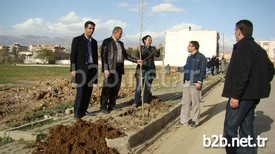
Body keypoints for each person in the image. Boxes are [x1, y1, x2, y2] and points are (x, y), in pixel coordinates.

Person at [222, 19, 274, 154]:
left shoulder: (242, 47)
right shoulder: (259, 49)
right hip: (252, 97)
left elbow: (241, 74)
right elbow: (270, 69)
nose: (234, 33)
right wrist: (257, 85)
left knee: (230, 129)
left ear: (239, 31)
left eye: (235, 30)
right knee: (246, 128)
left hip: (242, 96)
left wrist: (235, 96)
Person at [100, 26, 142, 114]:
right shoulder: (107, 41)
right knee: (107, 88)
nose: (121, 35)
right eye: (120, 34)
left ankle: (112, 105)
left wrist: (136, 60)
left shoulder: (121, 44)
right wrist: (105, 68)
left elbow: (126, 55)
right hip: (110, 68)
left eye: (121, 34)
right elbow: (103, 56)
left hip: (119, 68)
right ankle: (103, 106)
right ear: (115, 33)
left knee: (116, 88)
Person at [171, 40, 206, 128]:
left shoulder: (201, 57)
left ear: (194, 47)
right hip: (187, 82)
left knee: (195, 103)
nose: (188, 47)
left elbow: (203, 70)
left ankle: (195, 121)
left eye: (189, 46)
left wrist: (199, 82)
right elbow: (186, 68)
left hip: (195, 82)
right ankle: (183, 120)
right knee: (185, 102)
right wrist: (177, 69)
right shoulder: (189, 57)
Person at [70, 21, 98, 121]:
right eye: (90, 28)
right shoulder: (77, 40)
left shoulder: (94, 42)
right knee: (81, 91)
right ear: (85, 28)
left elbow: (94, 56)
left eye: (93, 29)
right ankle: (77, 113)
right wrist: (73, 69)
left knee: (88, 92)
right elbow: (73, 55)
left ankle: (84, 110)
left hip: (91, 69)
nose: (92, 30)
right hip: (81, 69)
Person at [132, 35, 161, 107]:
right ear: (144, 40)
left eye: (151, 40)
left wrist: (158, 49)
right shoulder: (141, 48)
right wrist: (138, 51)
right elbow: (138, 56)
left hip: (150, 69)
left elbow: (157, 55)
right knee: (139, 86)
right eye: (149, 39)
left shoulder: (153, 48)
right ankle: (136, 101)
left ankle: (145, 101)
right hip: (142, 69)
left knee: (148, 86)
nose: (150, 41)